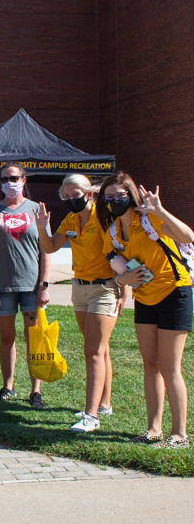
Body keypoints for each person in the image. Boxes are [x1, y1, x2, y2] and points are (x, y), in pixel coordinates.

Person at [98, 172, 193, 448]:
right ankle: (153, 429)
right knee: (150, 364)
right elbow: (117, 266)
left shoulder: (149, 218)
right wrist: (121, 280)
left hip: (175, 292)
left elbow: (188, 235)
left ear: (131, 195)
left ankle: (179, 435)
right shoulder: (113, 230)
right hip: (145, 298)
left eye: (120, 195)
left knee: (169, 365)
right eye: (109, 197)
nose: (115, 200)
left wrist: (160, 211)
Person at [35, 174, 125, 433]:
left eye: (76, 195)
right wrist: (42, 227)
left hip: (105, 287)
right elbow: (50, 247)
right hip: (80, 288)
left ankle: (91, 415)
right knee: (100, 350)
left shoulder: (105, 215)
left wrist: (123, 288)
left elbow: (120, 250)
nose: (72, 199)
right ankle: (104, 404)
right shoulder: (71, 219)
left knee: (93, 351)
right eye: (67, 196)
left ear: (89, 194)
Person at [0, 162, 51, 408]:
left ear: (24, 180)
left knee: (33, 338)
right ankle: (8, 386)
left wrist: (44, 284)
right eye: (5, 179)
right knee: (7, 337)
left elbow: (46, 250)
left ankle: (35, 391)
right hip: (2, 284)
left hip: (31, 286)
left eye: (14, 177)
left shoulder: (36, 209)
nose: (10, 183)